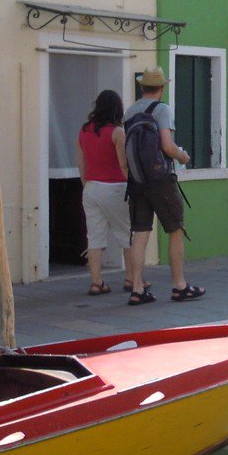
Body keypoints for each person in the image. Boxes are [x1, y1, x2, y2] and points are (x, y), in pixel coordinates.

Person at [124, 67, 204, 305]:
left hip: (137, 180)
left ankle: (137, 288)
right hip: (160, 179)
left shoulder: (129, 111)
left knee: (140, 232)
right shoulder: (162, 110)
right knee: (175, 228)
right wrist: (182, 157)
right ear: (161, 87)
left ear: (142, 87)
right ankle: (179, 285)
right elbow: (167, 146)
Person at [75, 90, 131, 295]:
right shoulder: (118, 132)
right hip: (115, 186)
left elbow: (81, 163)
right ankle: (131, 279)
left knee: (95, 237)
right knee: (127, 234)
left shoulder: (84, 130)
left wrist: (86, 184)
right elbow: (123, 164)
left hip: (91, 187)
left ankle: (96, 282)